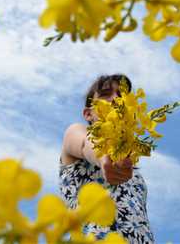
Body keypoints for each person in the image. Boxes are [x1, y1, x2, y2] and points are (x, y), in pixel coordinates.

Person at [59, 74, 155, 244]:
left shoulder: (135, 175)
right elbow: (85, 144)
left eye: (122, 95)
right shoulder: (78, 133)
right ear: (88, 114)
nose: (116, 99)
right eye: (105, 94)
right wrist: (103, 156)